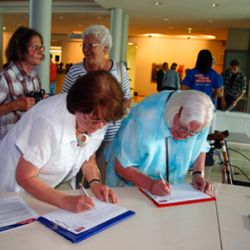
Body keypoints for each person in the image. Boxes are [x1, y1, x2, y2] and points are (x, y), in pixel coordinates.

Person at [0, 70, 124, 213]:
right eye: (95, 120)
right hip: (16, 189)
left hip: (51, 187)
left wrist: (95, 183)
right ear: (78, 106)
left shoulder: (99, 116)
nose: (100, 127)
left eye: (106, 121)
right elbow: (25, 176)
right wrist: (64, 200)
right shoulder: (49, 122)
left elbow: (88, 157)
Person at [105, 90, 214, 195]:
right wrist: (151, 184)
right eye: (182, 128)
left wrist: (198, 174)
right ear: (174, 112)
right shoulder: (146, 118)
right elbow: (122, 166)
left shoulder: (200, 117)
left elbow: (200, 145)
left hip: (167, 189)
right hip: (129, 185)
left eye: (192, 133)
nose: (184, 136)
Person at [61, 24, 132, 183]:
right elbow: (64, 99)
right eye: (83, 45)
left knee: (105, 178)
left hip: (110, 138)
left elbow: (127, 97)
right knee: (81, 177)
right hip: (82, 136)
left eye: (91, 45)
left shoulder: (119, 70)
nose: (86, 49)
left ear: (106, 48)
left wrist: (108, 115)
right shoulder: (76, 71)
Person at [0, 26, 46, 141]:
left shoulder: (34, 76)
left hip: (26, 141)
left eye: (41, 47)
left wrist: (41, 102)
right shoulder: (5, 77)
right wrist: (14, 105)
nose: (40, 51)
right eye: (34, 47)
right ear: (20, 49)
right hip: (6, 144)